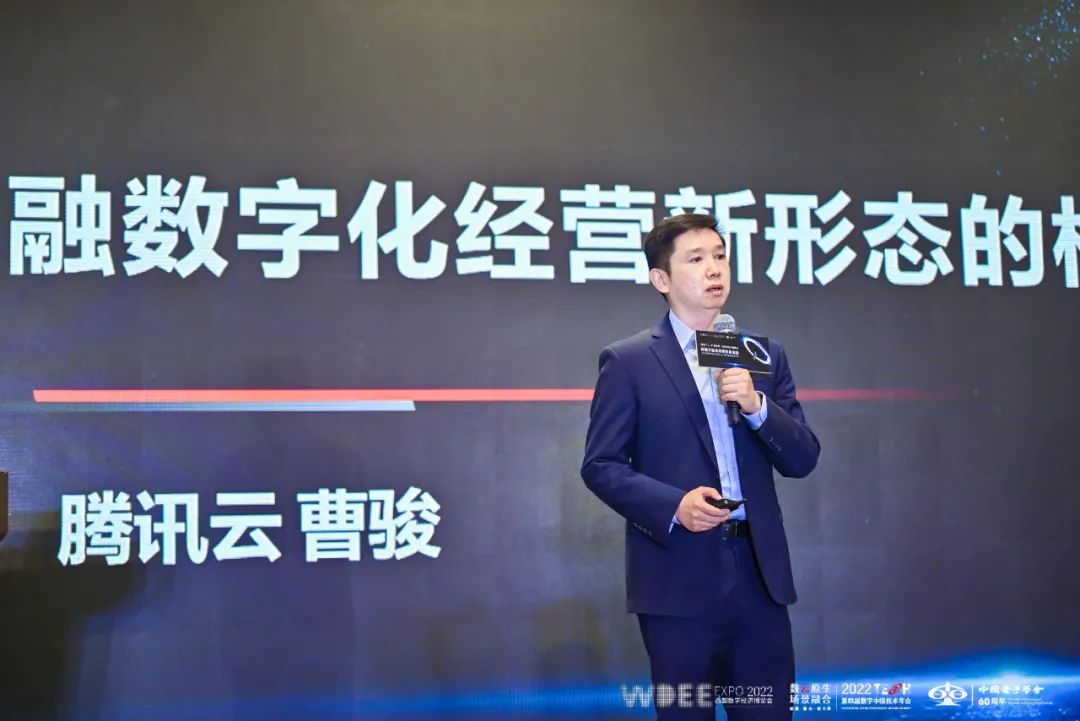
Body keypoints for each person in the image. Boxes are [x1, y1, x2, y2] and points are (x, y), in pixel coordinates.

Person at [581, 213, 820, 720]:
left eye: (720, 256)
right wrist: (675, 506)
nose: (714, 269)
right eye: (696, 259)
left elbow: (803, 457)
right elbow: (600, 464)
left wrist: (756, 406)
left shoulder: (761, 354)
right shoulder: (629, 362)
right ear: (661, 279)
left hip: (758, 577)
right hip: (678, 580)